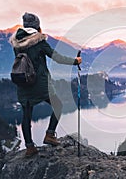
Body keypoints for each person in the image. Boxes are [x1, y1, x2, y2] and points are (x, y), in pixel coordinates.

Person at [10, 12, 82, 157]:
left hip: (23, 83)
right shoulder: (39, 42)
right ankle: (49, 135)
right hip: (40, 83)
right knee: (58, 105)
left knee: (26, 115)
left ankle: (30, 147)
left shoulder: (17, 43)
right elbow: (56, 57)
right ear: (37, 26)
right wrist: (75, 61)